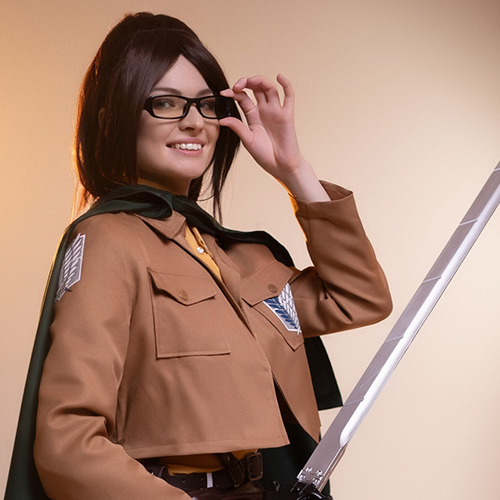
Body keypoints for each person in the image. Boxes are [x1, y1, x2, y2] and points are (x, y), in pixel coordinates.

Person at [5, 11, 392, 500]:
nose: (193, 120)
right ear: (115, 119)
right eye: (165, 103)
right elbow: (68, 444)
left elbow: (360, 298)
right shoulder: (110, 240)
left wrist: (293, 169)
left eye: (206, 105)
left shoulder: (235, 253)